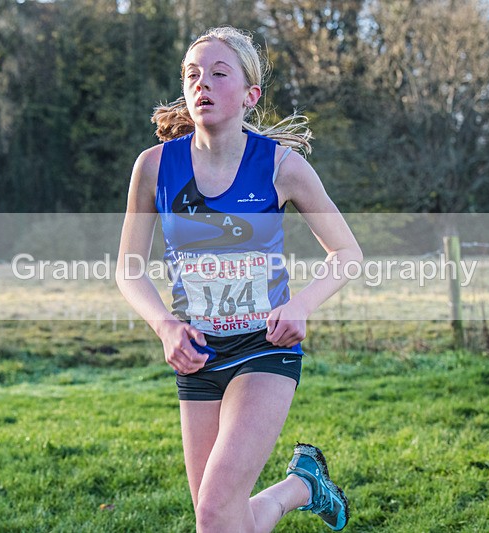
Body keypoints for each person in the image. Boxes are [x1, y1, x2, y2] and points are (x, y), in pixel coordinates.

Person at [115, 26, 362, 532]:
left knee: (212, 514)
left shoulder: (280, 167)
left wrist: (301, 306)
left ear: (250, 95)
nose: (201, 82)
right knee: (223, 517)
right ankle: (301, 487)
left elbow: (347, 253)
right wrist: (165, 326)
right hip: (197, 352)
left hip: (264, 348)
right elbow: (128, 269)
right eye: (192, 74)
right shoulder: (154, 167)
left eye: (218, 73)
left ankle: (302, 487)